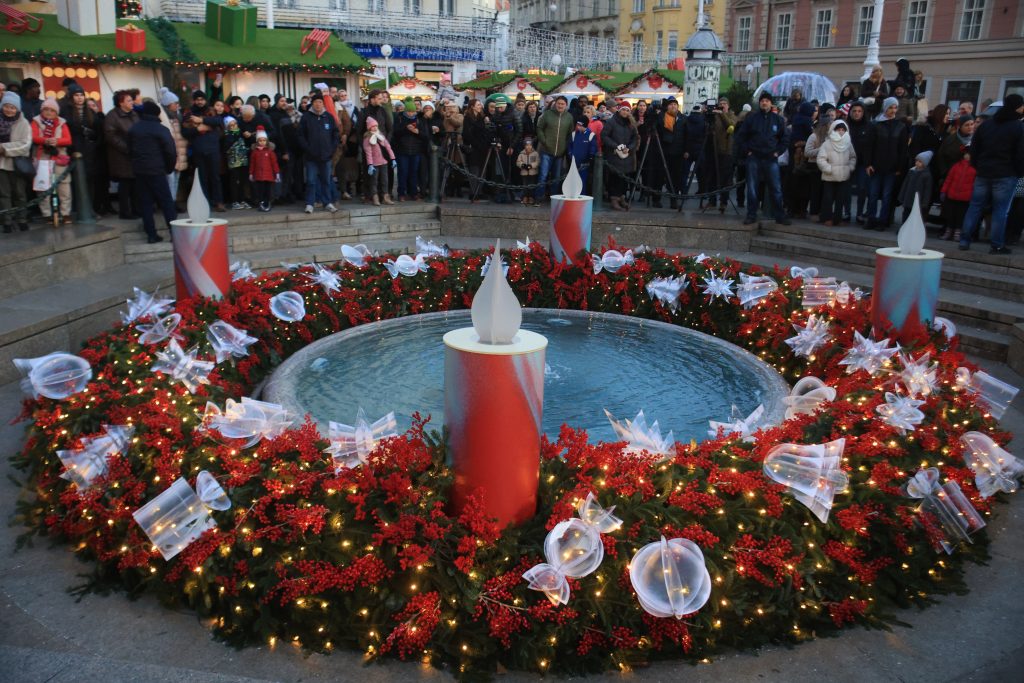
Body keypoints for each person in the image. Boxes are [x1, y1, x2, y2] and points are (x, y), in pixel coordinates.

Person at [958, 93, 1024, 254]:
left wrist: (978, 166)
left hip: (984, 172)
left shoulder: (987, 125)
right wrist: (1018, 172)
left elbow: (975, 148)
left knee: (975, 207)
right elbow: (1020, 153)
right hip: (1006, 174)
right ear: (1017, 107)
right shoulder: (1018, 127)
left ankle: (964, 240)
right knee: (1000, 210)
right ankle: (996, 244)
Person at [735, 92, 791, 225]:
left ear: (771, 103)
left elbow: (785, 138)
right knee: (752, 188)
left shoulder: (778, 119)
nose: (764, 103)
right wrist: (747, 150)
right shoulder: (752, 118)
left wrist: (778, 151)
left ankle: (779, 215)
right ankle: (751, 214)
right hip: (754, 157)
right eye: (762, 101)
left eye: (767, 101)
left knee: (776, 188)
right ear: (759, 103)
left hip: (771, 158)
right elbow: (741, 136)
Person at [128, 101, 176, 244]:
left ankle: (151, 234)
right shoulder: (161, 129)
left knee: (146, 203)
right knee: (167, 202)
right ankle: (174, 233)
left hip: (140, 170)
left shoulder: (134, 129)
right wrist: (169, 168)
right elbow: (170, 152)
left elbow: (129, 150)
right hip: (157, 170)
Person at [863, 97, 909, 230]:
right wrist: (868, 164)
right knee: (873, 194)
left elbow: (902, 149)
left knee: (887, 196)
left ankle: (883, 221)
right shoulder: (875, 124)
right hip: (876, 166)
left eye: (895, 107)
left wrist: (900, 167)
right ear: (885, 108)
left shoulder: (900, 126)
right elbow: (869, 146)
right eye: (890, 107)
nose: (893, 110)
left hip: (892, 168)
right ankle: (871, 219)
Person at [61, 83, 104, 216]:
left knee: (90, 181)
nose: (79, 98)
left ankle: (90, 208)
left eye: (81, 95)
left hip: (90, 151)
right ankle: (79, 209)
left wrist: (94, 141)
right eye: (76, 95)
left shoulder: (90, 112)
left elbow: (99, 131)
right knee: (77, 182)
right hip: (75, 151)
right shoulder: (66, 112)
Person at [182, 90, 225, 211]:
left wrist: (202, 120)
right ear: (194, 100)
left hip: (213, 149)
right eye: (197, 99)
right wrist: (198, 129)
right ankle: (204, 202)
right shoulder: (188, 113)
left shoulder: (211, 111)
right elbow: (185, 132)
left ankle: (218, 201)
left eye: (202, 99)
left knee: (215, 177)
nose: (200, 101)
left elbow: (219, 121)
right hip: (198, 149)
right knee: (202, 178)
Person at [32, 97, 73, 224]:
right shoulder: (35, 122)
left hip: (59, 156)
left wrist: (57, 141)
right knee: (43, 186)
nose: (49, 112)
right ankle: (46, 214)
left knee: (64, 185)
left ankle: (65, 213)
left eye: (52, 110)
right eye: (46, 109)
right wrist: (45, 140)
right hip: (42, 157)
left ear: (57, 112)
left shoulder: (62, 123)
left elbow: (68, 140)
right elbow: (33, 137)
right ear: (41, 110)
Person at [298, 95, 340, 213]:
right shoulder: (306, 117)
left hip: (326, 156)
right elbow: (300, 135)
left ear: (323, 104)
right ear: (312, 103)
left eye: (320, 102)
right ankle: (310, 203)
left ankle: (327, 202)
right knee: (311, 181)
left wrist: (331, 149)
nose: (318, 104)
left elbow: (335, 134)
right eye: (316, 102)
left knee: (326, 180)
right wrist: (307, 148)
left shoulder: (329, 117)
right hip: (311, 156)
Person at [0, 91, 31, 233]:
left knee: (20, 193)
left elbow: (25, 145)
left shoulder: (23, 123)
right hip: (1, 165)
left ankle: (22, 219)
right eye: (6, 106)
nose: (9, 110)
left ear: (17, 109)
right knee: (4, 194)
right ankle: (7, 221)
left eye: (12, 107)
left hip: (17, 164)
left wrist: (4, 148)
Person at [104, 90, 139, 218]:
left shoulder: (134, 114)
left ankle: (136, 209)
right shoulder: (112, 116)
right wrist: (127, 148)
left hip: (135, 154)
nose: (132, 103)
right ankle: (125, 211)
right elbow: (111, 136)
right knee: (125, 184)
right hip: (121, 156)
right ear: (121, 103)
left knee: (135, 184)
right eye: (129, 100)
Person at [816, 119, 856, 226]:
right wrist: (829, 169)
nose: (841, 132)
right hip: (829, 176)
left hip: (843, 176)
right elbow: (821, 159)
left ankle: (837, 219)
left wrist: (850, 168)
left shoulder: (848, 143)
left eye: (843, 129)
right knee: (828, 199)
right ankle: (826, 218)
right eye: (838, 129)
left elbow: (853, 157)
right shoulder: (827, 144)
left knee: (840, 199)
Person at [534, 95, 573, 203]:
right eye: (558, 103)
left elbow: (570, 133)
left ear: (566, 105)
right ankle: (539, 196)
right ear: (555, 104)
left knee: (556, 177)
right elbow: (539, 128)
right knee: (543, 175)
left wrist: (566, 146)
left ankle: (554, 198)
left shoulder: (569, 117)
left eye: (562, 104)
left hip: (560, 152)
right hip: (546, 150)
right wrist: (544, 141)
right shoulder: (548, 114)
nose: (560, 105)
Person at [601, 101, 638, 211]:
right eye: (623, 109)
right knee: (615, 178)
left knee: (624, 179)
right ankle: (614, 199)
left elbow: (635, 138)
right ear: (619, 109)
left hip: (627, 155)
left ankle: (621, 197)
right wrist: (616, 146)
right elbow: (604, 136)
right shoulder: (611, 122)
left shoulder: (631, 123)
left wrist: (629, 147)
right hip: (614, 154)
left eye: (627, 110)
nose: (625, 112)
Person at [157, 87, 188, 208]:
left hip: (179, 152)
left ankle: (173, 201)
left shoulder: (178, 117)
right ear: (168, 104)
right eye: (175, 103)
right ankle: (169, 203)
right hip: (170, 152)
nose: (177, 106)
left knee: (176, 179)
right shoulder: (164, 119)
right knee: (169, 179)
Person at [653, 95, 686, 208]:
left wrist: (686, 150)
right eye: (671, 104)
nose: (673, 106)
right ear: (667, 107)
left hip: (677, 153)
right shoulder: (661, 117)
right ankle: (656, 199)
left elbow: (687, 135)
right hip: (663, 151)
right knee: (659, 176)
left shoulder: (682, 118)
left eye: (675, 104)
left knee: (675, 178)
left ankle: (674, 200)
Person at [393, 96, 428, 200]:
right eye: (409, 111)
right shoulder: (399, 118)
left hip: (416, 150)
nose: (411, 114)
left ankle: (413, 192)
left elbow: (425, 136)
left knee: (414, 172)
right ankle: (401, 193)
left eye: (413, 112)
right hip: (402, 150)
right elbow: (395, 133)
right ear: (405, 110)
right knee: (403, 172)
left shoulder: (419, 120)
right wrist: (406, 129)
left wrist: (417, 132)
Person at [939, 147, 975, 241]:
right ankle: (948, 231)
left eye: (969, 154)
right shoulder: (956, 166)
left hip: (965, 197)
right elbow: (948, 179)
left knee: (961, 216)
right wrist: (944, 190)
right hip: (952, 195)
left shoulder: (974, 169)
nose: (967, 156)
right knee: (950, 215)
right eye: (966, 154)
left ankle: (957, 233)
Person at [362, 116, 396, 206]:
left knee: (385, 180)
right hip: (374, 164)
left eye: (376, 126)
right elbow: (368, 153)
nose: (375, 128)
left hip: (384, 162)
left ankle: (385, 197)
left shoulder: (381, 136)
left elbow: (388, 148)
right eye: (373, 126)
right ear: (369, 127)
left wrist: (393, 159)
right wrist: (370, 164)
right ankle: (375, 197)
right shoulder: (367, 138)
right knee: (374, 181)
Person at [248, 127, 280, 212]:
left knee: (268, 190)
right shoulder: (255, 152)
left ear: (267, 141)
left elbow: (274, 163)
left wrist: (277, 173)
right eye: (260, 140)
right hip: (258, 175)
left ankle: (268, 202)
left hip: (268, 176)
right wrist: (251, 173)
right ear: (257, 141)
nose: (262, 142)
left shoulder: (270, 152)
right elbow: (252, 163)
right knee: (260, 190)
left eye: (264, 140)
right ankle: (261, 203)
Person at [897, 151, 933, 223]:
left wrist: (924, 203)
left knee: (914, 216)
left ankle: (911, 230)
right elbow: (905, 184)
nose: (917, 163)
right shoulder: (911, 171)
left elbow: (927, 191)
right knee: (905, 214)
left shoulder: (927, 175)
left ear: (925, 163)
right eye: (916, 161)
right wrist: (901, 196)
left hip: (917, 201)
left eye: (920, 161)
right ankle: (903, 228)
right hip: (908, 198)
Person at [222, 116, 249, 209]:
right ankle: (234, 201)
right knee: (234, 181)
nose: (234, 126)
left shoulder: (240, 133)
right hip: (233, 161)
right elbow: (226, 147)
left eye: (235, 124)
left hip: (243, 160)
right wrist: (233, 135)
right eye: (231, 125)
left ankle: (242, 200)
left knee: (242, 181)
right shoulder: (227, 135)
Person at [568, 115, 597, 190]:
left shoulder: (591, 135)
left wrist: (591, 157)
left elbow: (593, 147)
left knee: (582, 181)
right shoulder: (574, 134)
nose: (578, 127)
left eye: (580, 125)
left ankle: (582, 197)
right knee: (573, 181)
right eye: (577, 125)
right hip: (574, 163)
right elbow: (570, 146)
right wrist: (570, 154)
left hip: (585, 164)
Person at [516, 137, 539, 205]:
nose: (528, 147)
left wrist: (532, 165)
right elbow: (518, 162)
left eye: (530, 145)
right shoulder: (521, 154)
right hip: (524, 173)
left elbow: (537, 162)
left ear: (532, 145)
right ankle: (525, 197)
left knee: (531, 185)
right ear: (524, 146)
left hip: (532, 173)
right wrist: (522, 165)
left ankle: (531, 197)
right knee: (525, 185)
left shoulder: (535, 153)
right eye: (527, 145)